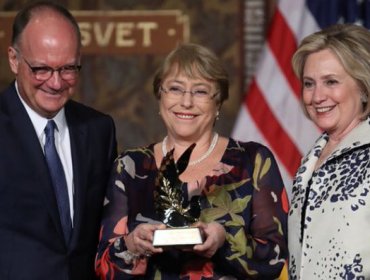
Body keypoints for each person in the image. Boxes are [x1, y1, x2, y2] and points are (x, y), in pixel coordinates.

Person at [95, 43, 288, 279]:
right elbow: (104, 269)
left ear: (218, 102)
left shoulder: (253, 160)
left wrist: (224, 241)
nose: (186, 102)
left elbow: (274, 260)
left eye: (200, 91)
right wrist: (132, 245)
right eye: (175, 89)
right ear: (160, 97)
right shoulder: (129, 166)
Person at [0, 1, 117, 279]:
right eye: (41, 69)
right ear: (14, 60)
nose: (55, 83)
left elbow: (106, 228)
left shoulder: (99, 129)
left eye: (68, 68)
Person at [288, 23, 370, 279]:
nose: (317, 96)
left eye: (331, 82)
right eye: (309, 84)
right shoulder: (311, 158)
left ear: (363, 86)